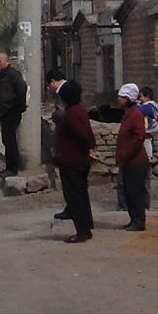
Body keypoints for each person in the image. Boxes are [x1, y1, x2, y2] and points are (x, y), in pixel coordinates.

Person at [52, 79, 96, 244]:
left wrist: (87, 148)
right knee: (81, 195)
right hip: (78, 160)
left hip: (73, 161)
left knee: (75, 196)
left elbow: (82, 135)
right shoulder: (79, 110)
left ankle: (82, 231)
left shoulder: (72, 113)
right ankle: (86, 228)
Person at [113, 82, 150, 231]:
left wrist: (126, 153)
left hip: (136, 161)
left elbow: (139, 136)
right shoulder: (129, 114)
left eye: (121, 97)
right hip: (128, 161)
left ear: (128, 99)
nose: (118, 100)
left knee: (135, 192)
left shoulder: (136, 115)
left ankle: (138, 221)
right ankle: (133, 219)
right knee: (128, 191)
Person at [0, 51, 28, 177]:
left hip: (11, 112)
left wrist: (18, 107)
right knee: (6, 140)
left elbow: (22, 89)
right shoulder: (2, 75)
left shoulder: (12, 74)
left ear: (6, 61)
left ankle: (13, 168)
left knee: (10, 140)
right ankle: (9, 166)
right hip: (4, 113)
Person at [42, 70, 68, 215]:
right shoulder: (64, 90)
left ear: (52, 82)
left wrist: (55, 115)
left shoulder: (63, 91)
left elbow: (62, 113)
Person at [139, 85, 158, 164]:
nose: (140, 99)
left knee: (147, 140)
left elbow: (143, 110)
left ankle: (149, 156)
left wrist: (135, 105)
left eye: (141, 97)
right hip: (148, 127)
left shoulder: (151, 106)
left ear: (147, 97)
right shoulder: (148, 105)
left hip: (152, 128)